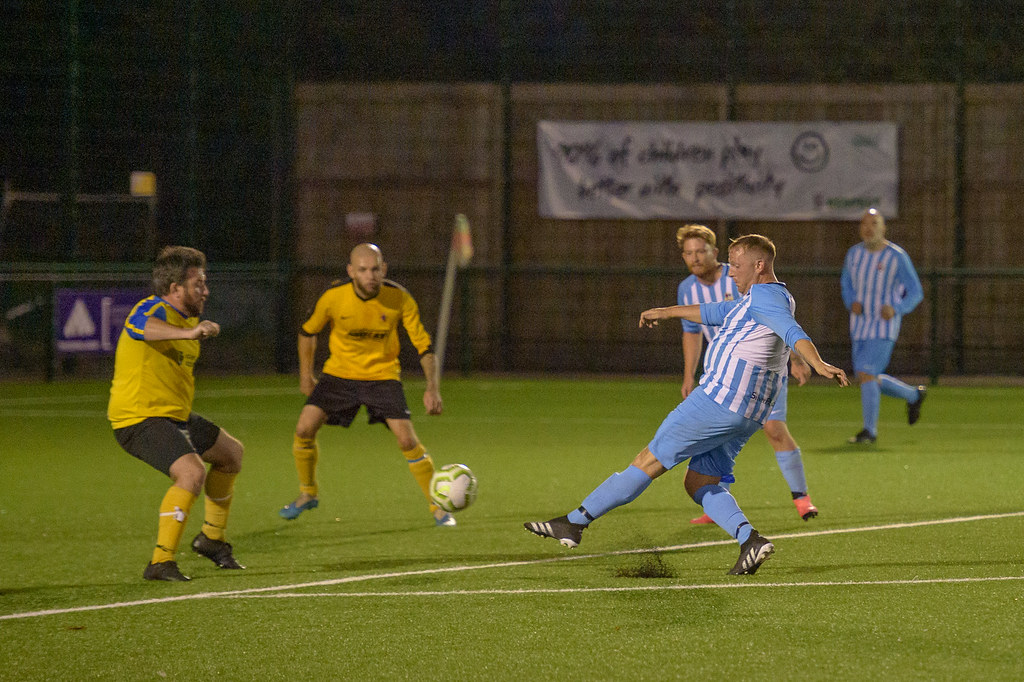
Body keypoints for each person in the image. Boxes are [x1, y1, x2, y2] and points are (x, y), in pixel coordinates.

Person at [525, 235, 848, 575]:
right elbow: (712, 311)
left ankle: (574, 523)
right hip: (749, 414)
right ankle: (750, 541)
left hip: (717, 402)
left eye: (736, 266)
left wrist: (818, 363)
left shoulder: (766, 298)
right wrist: (665, 312)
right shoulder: (757, 298)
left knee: (648, 461)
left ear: (759, 266)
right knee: (699, 482)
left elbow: (792, 331)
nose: (731, 273)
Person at [279, 243, 454, 526]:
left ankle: (438, 507)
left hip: (382, 376)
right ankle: (307, 493)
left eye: (375, 269)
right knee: (304, 428)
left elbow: (423, 345)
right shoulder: (333, 297)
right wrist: (305, 375)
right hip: (339, 375)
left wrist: (432, 388)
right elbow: (307, 332)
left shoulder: (399, 298)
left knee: (407, 439)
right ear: (351, 271)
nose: (370, 275)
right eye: (363, 270)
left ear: (384, 269)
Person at [108, 246, 245, 582]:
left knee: (231, 454)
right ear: (175, 289)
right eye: (198, 284)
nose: (206, 290)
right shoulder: (152, 308)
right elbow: (139, 326)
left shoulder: (190, 319)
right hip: (137, 417)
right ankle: (160, 562)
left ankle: (212, 539)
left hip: (173, 416)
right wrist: (188, 333)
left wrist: (191, 329)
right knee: (191, 473)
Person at [675, 224, 819, 523]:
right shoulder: (687, 288)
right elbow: (692, 333)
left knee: (774, 430)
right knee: (719, 433)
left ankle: (802, 498)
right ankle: (717, 501)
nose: (695, 258)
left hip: (762, 372)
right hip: (722, 377)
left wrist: (796, 359)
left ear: (715, 252)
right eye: (688, 253)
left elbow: (778, 319)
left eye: (700, 251)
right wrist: (689, 374)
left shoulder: (742, 274)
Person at [841, 208, 926, 444]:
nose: (869, 228)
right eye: (865, 224)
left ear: (883, 228)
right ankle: (913, 395)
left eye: (874, 223)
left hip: (883, 327)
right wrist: (851, 302)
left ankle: (869, 431)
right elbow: (846, 284)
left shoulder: (896, 256)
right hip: (859, 325)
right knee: (868, 376)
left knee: (868, 373)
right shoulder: (853, 255)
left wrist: (896, 308)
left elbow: (915, 292)